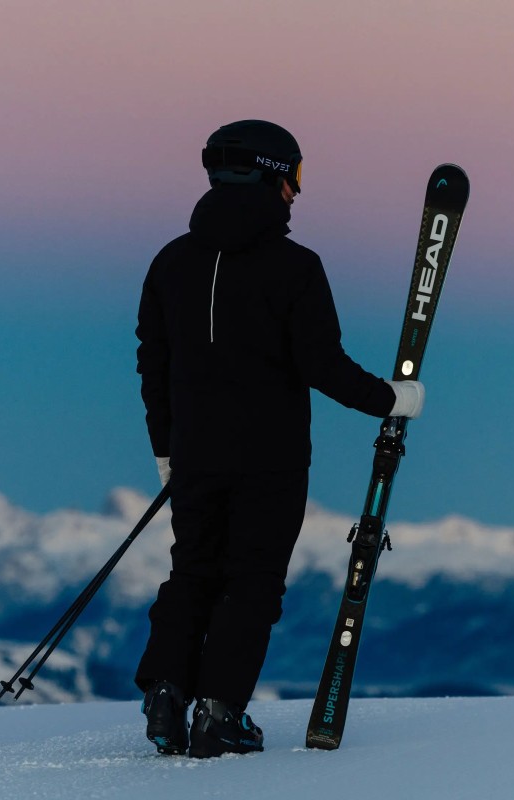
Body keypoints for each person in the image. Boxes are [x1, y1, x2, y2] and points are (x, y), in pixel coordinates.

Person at [133, 119, 424, 758]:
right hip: (271, 459)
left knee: (194, 572)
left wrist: (164, 447)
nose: (297, 192)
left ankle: (168, 692)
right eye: (295, 176)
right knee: (253, 580)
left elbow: (152, 363)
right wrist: (392, 401)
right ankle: (220, 712)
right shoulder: (295, 267)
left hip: (194, 456)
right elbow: (320, 364)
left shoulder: (171, 262)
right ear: (271, 174)